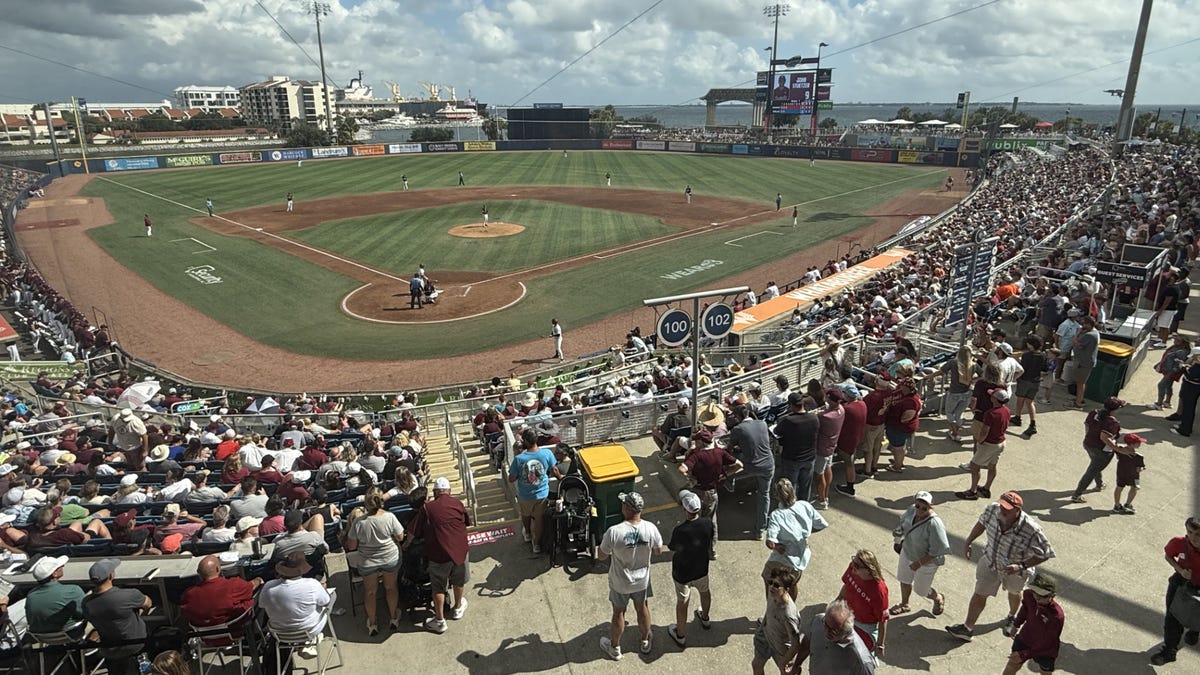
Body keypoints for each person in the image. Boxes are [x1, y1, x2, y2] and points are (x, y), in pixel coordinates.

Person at [946, 491, 1055, 641]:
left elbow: (1046, 553)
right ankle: (967, 628)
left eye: (1007, 509)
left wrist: (1021, 566)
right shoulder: (993, 509)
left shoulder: (1031, 529)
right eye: (1001, 506)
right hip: (991, 561)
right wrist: (968, 541)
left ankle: (1011, 616)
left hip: (1015, 572)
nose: (1001, 510)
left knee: (1014, 593)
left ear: (1017, 511)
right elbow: (981, 523)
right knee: (979, 593)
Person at [597, 491, 665, 660]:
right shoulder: (651, 528)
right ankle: (645, 641)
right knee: (642, 609)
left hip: (620, 582)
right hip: (642, 581)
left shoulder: (614, 531)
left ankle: (615, 647)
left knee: (618, 613)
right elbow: (658, 551)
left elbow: (601, 555)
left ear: (626, 508)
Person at [407, 476, 470, 634]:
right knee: (458, 581)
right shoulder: (458, 504)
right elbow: (467, 522)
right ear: (449, 491)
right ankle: (457, 608)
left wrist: (406, 545)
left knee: (438, 588)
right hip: (459, 552)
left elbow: (413, 532)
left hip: (438, 555)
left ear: (435, 492)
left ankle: (440, 621)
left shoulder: (427, 508)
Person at [346, 487, 405, 635]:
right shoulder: (390, 517)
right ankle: (393, 618)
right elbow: (400, 537)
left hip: (368, 562)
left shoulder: (358, 522)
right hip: (389, 558)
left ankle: (372, 623)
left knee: (370, 592)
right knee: (391, 588)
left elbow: (352, 546)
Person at [258, 552, 333, 665]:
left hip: (280, 633)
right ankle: (308, 641)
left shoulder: (268, 586)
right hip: (309, 630)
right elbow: (325, 602)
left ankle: (304, 642)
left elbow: (262, 605)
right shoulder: (312, 584)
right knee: (331, 597)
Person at [678, 429, 741, 558]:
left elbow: (682, 469)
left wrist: (691, 478)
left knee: (694, 521)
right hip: (712, 493)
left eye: (697, 440)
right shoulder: (720, 453)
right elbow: (739, 465)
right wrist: (724, 475)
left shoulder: (696, 456)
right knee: (711, 521)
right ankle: (711, 550)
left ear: (701, 442)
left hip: (697, 492)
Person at [82, 559, 152, 673]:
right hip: (136, 646)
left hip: (109, 651)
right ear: (111, 575)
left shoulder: (86, 603)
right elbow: (148, 603)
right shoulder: (129, 595)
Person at [763, 478, 828, 600]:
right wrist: (804, 535)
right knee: (792, 583)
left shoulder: (776, 515)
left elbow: (770, 543)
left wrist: (777, 547)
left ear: (777, 495)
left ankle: (771, 611)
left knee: (768, 580)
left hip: (783, 559)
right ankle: (791, 607)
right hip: (801, 557)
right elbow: (822, 524)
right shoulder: (805, 505)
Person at [666, 490, 714, 648]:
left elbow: (672, 547)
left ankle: (680, 635)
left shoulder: (680, 531)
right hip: (701, 568)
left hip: (683, 573)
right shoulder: (708, 523)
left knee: (682, 602)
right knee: (705, 592)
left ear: (685, 510)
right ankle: (705, 618)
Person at [891, 490, 950, 617]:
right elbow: (903, 524)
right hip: (908, 551)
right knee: (904, 579)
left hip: (926, 561)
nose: (920, 509)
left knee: (921, 591)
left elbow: (936, 551)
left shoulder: (935, 524)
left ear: (931, 506)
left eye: (925, 507)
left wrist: (918, 564)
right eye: (918, 505)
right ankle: (904, 604)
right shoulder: (911, 510)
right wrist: (898, 539)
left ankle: (938, 597)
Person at [1151, 516, 1200, 664]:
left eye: (1198, 534)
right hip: (1181, 584)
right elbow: (1168, 555)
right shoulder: (1179, 543)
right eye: (1190, 532)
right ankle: (1170, 650)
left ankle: (1194, 631)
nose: (1193, 537)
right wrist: (1180, 569)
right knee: (1173, 616)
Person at [508, 427, 558, 554]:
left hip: (525, 496)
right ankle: (536, 545)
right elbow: (555, 470)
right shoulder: (547, 453)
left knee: (525, 515)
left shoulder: (519, 459)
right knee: (539, 520)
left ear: (525, 441)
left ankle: (528, 534)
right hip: (542, 494)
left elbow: (511, 478)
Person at [726, 404, 774, 537]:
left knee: (729, 463)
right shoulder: (763, 424)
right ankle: (760, 530)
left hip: (749, 466)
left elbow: (729, 449)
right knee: (765, 495)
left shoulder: (738, 429)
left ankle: (729, 482)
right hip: (768, 465)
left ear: (737, 417)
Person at [1002, 573, 1064, 675]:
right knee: (1012, 664)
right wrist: (1016, 625)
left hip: (1045, 650)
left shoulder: (1056, 616)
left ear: (1052, 596)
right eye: (1035, 593)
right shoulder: (1029, 595)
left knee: (1045, 672)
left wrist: (1024, 654)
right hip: (1025, 639)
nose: (1037, 598)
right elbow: (1025, 609)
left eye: (1041, 596)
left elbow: (1047, 641)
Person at [794, 599, 876, 674]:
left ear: (846, 631)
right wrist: (796, 665)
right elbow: (807, 643)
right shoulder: (818, 620)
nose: (826, 631)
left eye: (834, 630)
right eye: (825, 624)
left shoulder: (862, 661)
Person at [956, 388, 1011, 500]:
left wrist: (980, 441)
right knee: (992, 466)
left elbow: (985, 431)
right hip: (1000, 442)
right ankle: (986, 488)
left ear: (995, 399)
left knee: (975, 466)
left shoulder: (990, 413)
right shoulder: (1006, 411)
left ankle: (973, 491)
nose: (990, 397)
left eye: (992, 396)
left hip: (989, 444)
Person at [1068, 396, 1125, 503]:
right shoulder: (1112, 422)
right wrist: (1117, 449)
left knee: (1095, 466)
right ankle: (1077, 495)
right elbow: (1104, 437)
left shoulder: (1094, 413)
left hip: (1088, 444)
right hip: (1102, 451)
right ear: (1115, 409)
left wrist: (1088, 437)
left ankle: (1099, 485)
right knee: (1092, 471)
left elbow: (1087, 426)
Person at [179, 555, 260, 629]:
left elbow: (185, 613)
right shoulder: (233, 585)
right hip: (233, 631)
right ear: (218, 569)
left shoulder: (188, 595)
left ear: (199, 573)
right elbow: (251, 587)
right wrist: (259, 580)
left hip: (202, 636)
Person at [836, 549, 889, 657]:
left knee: (859, 657)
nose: (852, 565)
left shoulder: (879, 591)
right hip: (846, 617)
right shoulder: (853, 568)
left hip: (864, 628)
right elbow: (846, 586)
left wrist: (880, 645)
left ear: (869, 570)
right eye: (853, 561)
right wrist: (836, 603)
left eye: (857, 565)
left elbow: (883, 620)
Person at [751, 566, 801, 675]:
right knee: (756, 664)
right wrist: (761, 630)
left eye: (777, 585)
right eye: (771, 582)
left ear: (787, 589)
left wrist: (784, 661)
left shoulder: (789, 615)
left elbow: (795, 644)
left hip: (781, 648)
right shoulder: (772, 594)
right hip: (766, 637)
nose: (772, 587)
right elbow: (768, 612)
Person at [773, 392, 819, 504]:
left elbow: (776, 431)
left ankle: (791, 508)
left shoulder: (789, 420)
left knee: (789, 488)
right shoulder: (814, 418)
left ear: (791, 405)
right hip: (809, 458)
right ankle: (804, 508)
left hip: (792, 459)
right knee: (805, 487)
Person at [24, 554, 85, 636]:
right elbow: (84, 613)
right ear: (55, 574)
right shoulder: (73, 590)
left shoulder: (30, 595)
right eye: (60, 566)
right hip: (70, 633)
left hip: (42, 637)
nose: (62, 566)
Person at [883, 377, 922, 473]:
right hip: (897, 427)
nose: (900, 386)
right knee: (900, 445)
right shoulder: (906, 395)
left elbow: (906, 418)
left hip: (900, 428)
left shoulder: (911, 401)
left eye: (902, 385)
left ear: (907, 388)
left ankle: (897, 466)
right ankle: (898, 460)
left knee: (898, 447)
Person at [1013, 335, 1046, 436]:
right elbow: (1044, 369)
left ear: (1030, 344)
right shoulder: (1043, 356)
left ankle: (1018, 417)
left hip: (1024, 380)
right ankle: (1032, 423)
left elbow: (1022, 368)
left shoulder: (1026, 356)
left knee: (1020, 399)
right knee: (1030, 402)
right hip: (1035, 381)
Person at [1168, 346, 1200, 437]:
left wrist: (1183, 367)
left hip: (1192, 388)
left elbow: (1191, 375)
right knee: (1187, 409)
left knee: (1188, 409)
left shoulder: (1198, 366)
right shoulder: (1197, 364)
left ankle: (1184, 430)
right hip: (1192, 387)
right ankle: (1183, 425)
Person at [1068, 315, 1100, 408]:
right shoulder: (1094, 332)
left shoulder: (1090, 335)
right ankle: (1079, 398)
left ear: (1089, 324)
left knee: (1080, 383)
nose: (1082, 326)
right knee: (1080, 382)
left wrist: (1077, 333)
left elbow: (1075, 343)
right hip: (1084, 360)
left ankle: (1078, 402)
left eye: (1084, 324)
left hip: (1084, 362)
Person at [1112, 432, 1146, 514]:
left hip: (1121, 473)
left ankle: (1117, 505)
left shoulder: (1120, 450)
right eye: (1138, 443)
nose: (1140, 443)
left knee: (1119, 488)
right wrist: (1141, 469)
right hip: (1134, 475)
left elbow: (1114, 446)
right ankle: (1128, 504)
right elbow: (1140, 468)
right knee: (1134, 488)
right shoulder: (1139, 457)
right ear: (1132, 444)